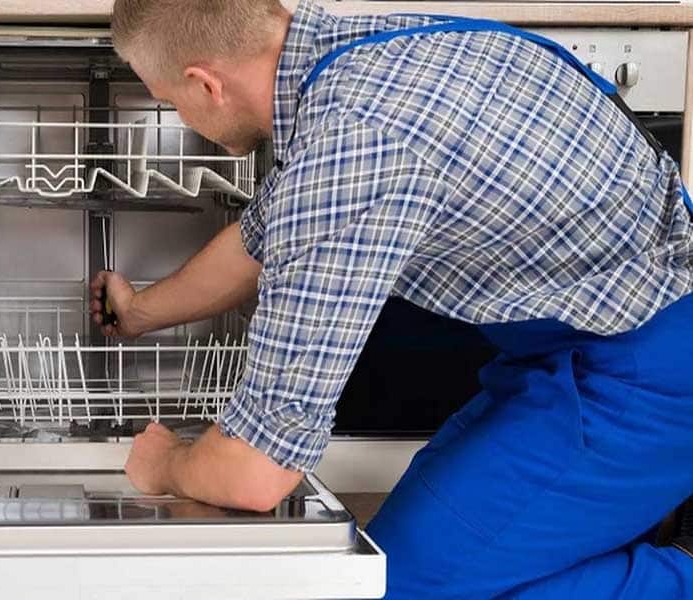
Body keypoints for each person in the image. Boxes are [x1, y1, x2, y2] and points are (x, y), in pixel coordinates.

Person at [93, 0, 693, 597]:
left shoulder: (352, 148)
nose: (178, 114)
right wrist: (142, 311)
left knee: (400, 589)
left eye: (169, 101)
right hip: (577, 345)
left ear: (205, 84)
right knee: (403, 561)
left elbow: (256, 475)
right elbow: (260, 242)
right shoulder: (350, 55)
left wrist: (166, 462)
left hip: (650, 372)